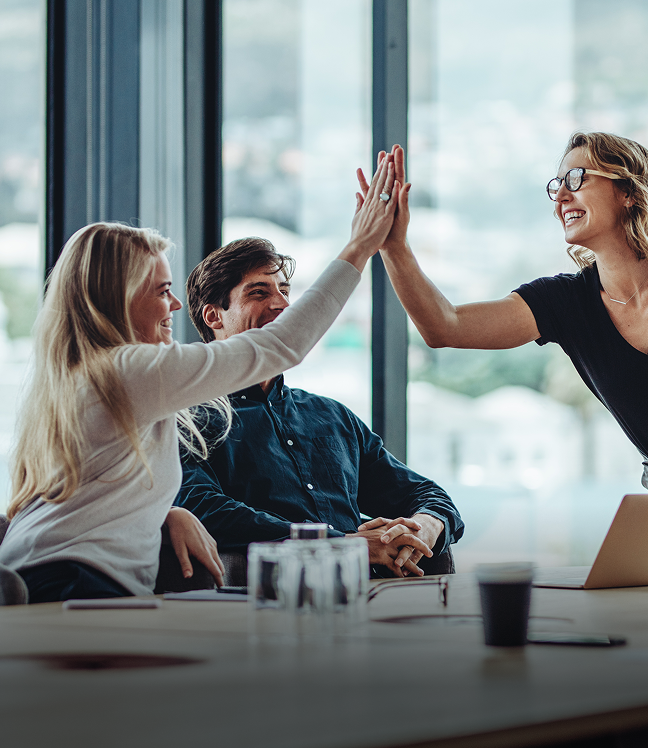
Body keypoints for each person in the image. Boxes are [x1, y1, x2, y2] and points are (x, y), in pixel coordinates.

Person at [0, 154, 400, 603]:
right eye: (160, 291)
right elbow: (280, 346)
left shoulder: (84, 375)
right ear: (118, 298)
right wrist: (358, 249)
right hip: (72, 581)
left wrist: (166, 512)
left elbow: (95, 490)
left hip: (46, 572)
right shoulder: (127, 370)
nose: (174, 306)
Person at [366, 134, 648, 523]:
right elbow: (446, 326)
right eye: (556, 187)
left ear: (629, 190)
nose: (560, 198)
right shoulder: (566, 303)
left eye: (576, 178)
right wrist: (394, 246)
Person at [175, 237, 464, 578]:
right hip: (271, 596)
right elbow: (202, 507)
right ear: (214, 316)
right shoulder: (188, 419)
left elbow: (424, 493)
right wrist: (340, 543)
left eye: (284, 290)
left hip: (372, 595)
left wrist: (426, 525)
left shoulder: (331, 416)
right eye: (259, 292)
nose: (282, 304)